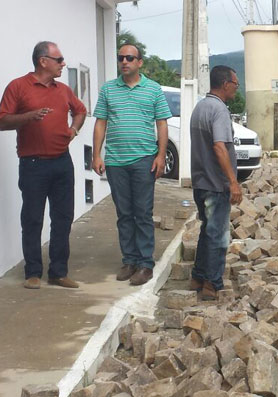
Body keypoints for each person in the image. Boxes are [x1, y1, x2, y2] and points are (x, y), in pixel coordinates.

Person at [0, 41, 86, 290]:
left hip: (62, 163)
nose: (63, 64)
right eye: (59, 60)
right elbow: (2, 120)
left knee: (63, 218)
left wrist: (73, 130)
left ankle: (58, 273)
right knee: (32, 219)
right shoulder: (18, 86)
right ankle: (33, 273)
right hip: (33, 165)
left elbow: (80, 110)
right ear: (43, 61)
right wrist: (29, 117)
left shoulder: (63, 90)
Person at [92, 44, 171, 286]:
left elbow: (162, 124)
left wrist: (160, 156)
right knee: (124, 214)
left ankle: (145, 264)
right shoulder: (108, 90)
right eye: (121, 58)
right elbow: (100, 123)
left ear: (139, 62)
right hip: (116, 161)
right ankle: (129, 260)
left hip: (144, 160)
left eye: (129, 58)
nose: (124, 62)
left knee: (143, 213)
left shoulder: (153, 89)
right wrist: (96, 155)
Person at [190, 65, 243, 300]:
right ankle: (211, 284)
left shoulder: (200, 107)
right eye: (235, 84)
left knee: (206, 230)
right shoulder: (219, 110)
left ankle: (197, 277)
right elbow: (219, 147)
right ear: (225, 84)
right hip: (215, 184)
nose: (236, 88)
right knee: (218, 236)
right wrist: (233, 182)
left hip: (200, 182)